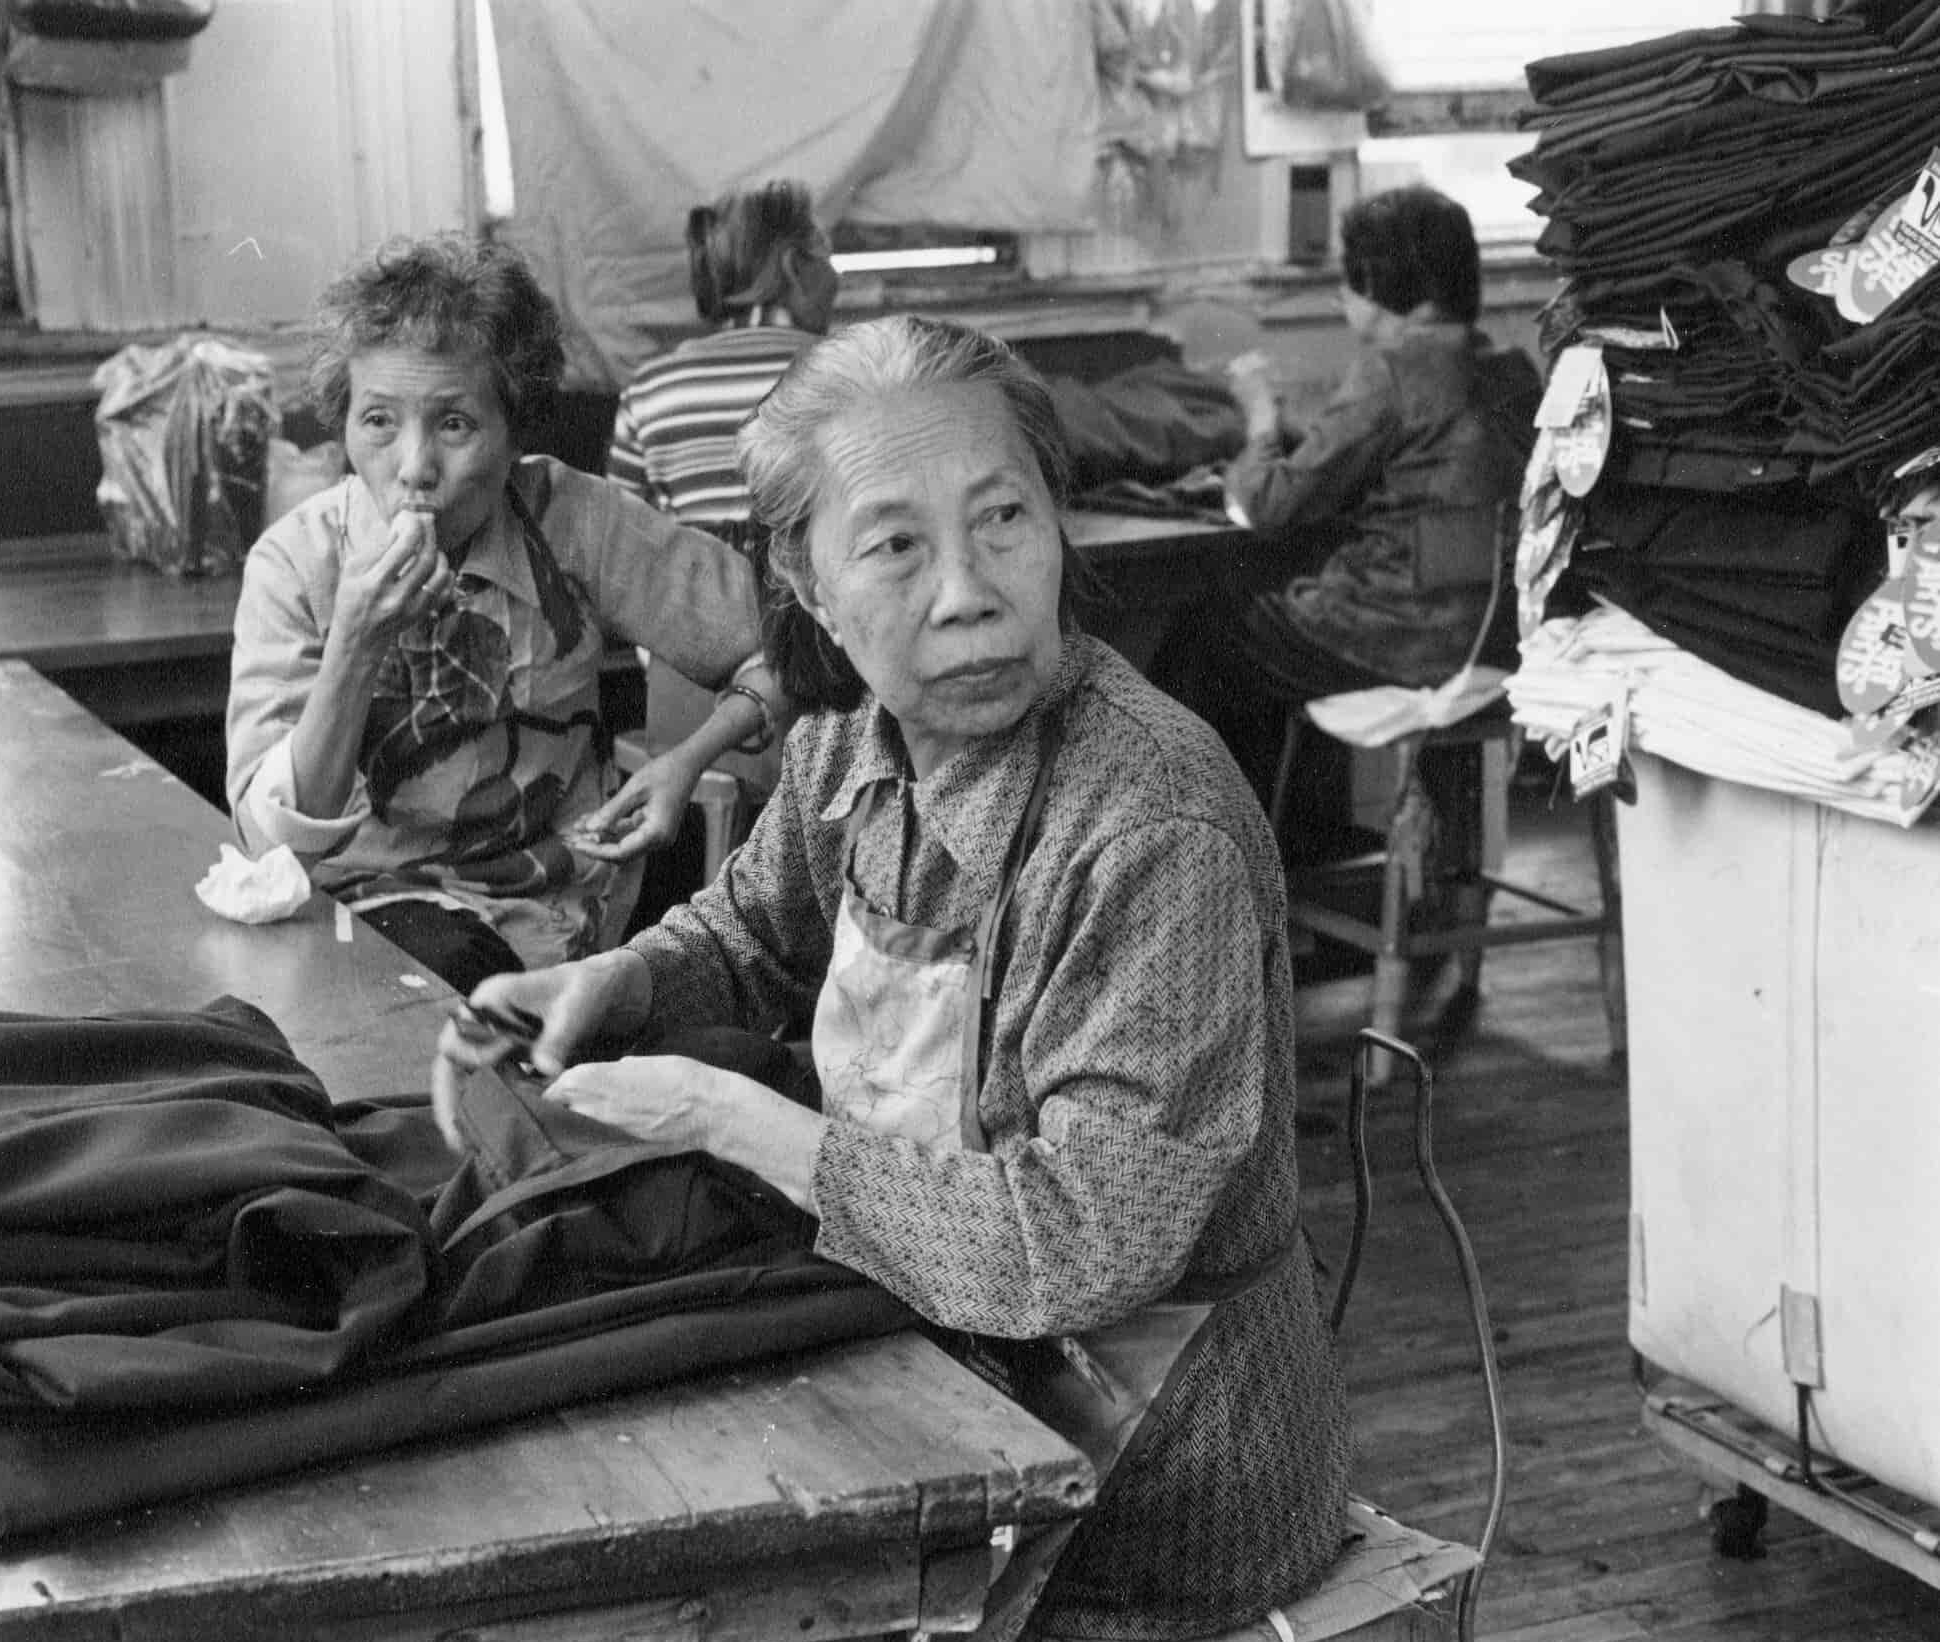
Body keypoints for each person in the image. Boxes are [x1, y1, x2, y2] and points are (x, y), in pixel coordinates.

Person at [433, 317, 1349, 1639]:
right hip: (949, 1360)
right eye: (894, 546)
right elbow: (749, 931)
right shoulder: (850, 753)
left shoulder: (1150, 826)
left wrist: (722, 1113)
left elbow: (1072, 1244)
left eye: (1001, 521)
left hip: (1157, 1475)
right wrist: (621, 981)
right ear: (806, 585)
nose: (967, 590)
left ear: (1055, 527)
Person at [226, 234, 786, 994]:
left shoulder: (575, 520)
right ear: (344, 423)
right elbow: (271, 843)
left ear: (516, 429)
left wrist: (686, 760)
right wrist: (355, 643)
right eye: (380, 422)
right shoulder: (296, 564)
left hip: (552, 914)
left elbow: (794, 643)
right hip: (349, 925)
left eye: (454, 424)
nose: (415, 467)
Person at [1150, 184, 1542, 820]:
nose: (1341, 297)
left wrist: (1259, 417)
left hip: (1403, 643)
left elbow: (1265, 506)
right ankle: (1311, 855)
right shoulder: (1514, 373)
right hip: (1494, 643)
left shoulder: (1391, 372)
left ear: (1383, 292)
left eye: (1350, 283)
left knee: (1212, 634)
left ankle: (1211, 857)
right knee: (1274, 618)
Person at [604, 178, 838, 547]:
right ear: (795, 267)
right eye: (827, 258)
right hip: (815, 600)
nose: (835, 277)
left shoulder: (650, 389)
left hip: (692, 599)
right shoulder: (844, 371)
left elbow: (623, 536)